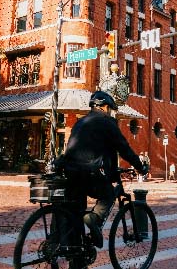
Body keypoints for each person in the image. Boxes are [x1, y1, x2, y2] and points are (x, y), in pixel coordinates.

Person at [55, 90, 146, 250]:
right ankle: (94, 218)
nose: (110, 111)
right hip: (88, 172)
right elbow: (124, 148)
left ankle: (76, 254)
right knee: (108, 195)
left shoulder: (80, 122)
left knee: (76, 211)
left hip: (69, 171)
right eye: (109, 108)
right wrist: (140, 166)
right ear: (104, 107)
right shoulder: (107, 123)